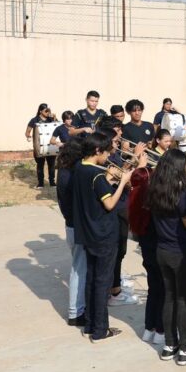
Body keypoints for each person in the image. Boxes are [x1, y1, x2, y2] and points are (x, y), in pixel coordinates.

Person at [148, 149, 186, 365]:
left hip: (162, 250)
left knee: (169, 297)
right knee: (184, 301)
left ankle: (169, 345)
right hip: (181, 252)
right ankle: (185, 349)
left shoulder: (155, 187)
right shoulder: (180, 194)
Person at [71, 133, 133, 342]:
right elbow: (109, 204)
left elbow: (93, 193)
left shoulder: (80, 167)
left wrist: (107, 179)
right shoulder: (96, 175)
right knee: (102, 282)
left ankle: (90, 323)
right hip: (103, 233)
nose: (108, 156)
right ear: (97, 151)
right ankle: (100, 330)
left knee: (91, 278)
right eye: (106, 152)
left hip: (88, 232)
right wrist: (122, 181)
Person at [125, 142, 164, 350]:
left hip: (146, 243)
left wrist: (139, 163)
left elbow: (138, 176)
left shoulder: (136, 192)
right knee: (162, 288)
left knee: (153, 288)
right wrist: (140, 163)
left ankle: (149, 328)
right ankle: (160, 330)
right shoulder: (147, 193)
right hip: (157, 244)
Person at [97, 118, 139, 307]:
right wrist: (134, 159)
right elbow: (118, 178)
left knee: (120, 251)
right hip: (116, 207)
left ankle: (116, 283)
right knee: (116, 249)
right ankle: (114, 291)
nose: (119, 139)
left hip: (122, 204)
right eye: (115, 138)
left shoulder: (114, 156)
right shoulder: (106, 160)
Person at [56, 135, 87, 327]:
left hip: (71, 224)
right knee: (79, 269)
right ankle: (76, 312)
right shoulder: (74, 173)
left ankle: (78, 309)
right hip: (78, 226)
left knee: (79, 268)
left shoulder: (65, 169)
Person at [26, 103, 57, 188]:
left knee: (52, 165)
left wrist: (54, 118)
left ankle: (52, 182)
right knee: (40, 165)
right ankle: (40, 183)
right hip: (39, 147)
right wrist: (28, 136)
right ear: (40, 111)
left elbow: (57, 128)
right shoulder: (34, 120)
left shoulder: (51, 119)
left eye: (49, 110)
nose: (48, 112)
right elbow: (27, 132)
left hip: (50, 146)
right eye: (46, 111)